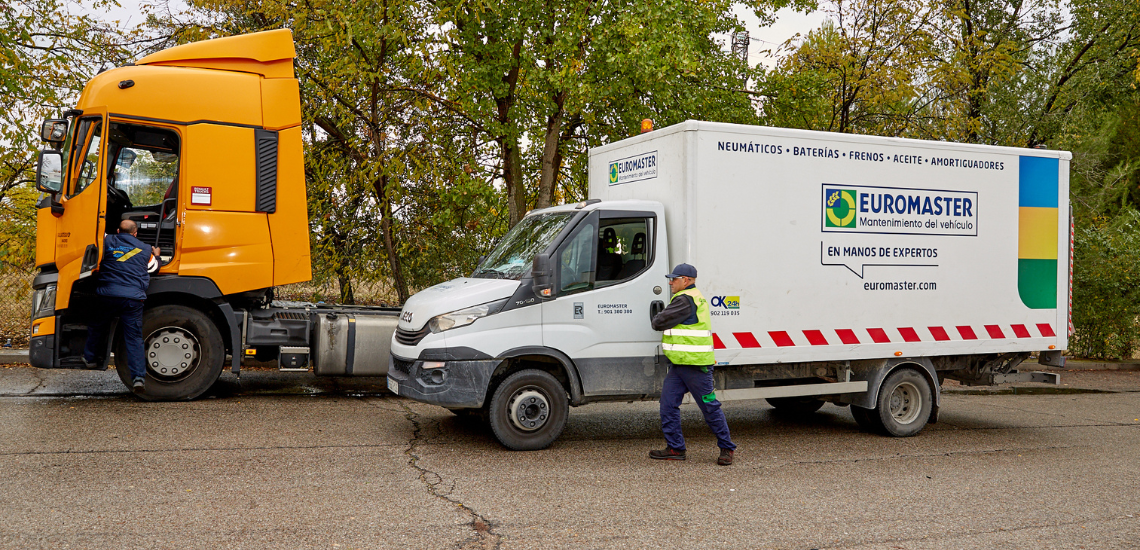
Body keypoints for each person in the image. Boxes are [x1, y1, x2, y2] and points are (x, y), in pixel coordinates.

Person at [649, 263, 737, 465]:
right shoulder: (688, 298)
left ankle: (727, 448)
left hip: (696, 366)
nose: (670, 282)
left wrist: (658, 316)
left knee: (709, 408)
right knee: (668, 405)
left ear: (686, 280)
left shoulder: (685, 300)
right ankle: (675, 448)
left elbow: (658, 322)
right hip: (680, 365)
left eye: (674, 279)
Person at [81, 219, 160, 392]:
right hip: (132, 299)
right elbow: (154, 269)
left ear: (118, 230)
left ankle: (91, 358)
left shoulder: (106, 241)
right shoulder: (146, 249)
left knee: (97, 325)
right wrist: (158, 254)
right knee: (133, 338)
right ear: (135, 233)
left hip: (107, 295)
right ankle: (138, 378)